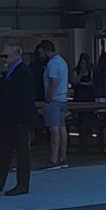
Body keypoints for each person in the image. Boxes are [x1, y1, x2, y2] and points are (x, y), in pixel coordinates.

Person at [0, 40, 40, 196]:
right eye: (2, 56)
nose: (3, 59)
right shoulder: (11, 72)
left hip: (18, 120)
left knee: (22, 153)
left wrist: (21, 120)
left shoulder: (23, 72)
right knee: (4, 151)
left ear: (16, 55)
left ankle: (22, 184)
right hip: (8, 120)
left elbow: (25, 99)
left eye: (6, 56)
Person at [38, 39, 71, 168]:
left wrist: (48, 97)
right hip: (63, 98)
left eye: (41, 53)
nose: (41, 56)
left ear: (46, 51)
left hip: (54, 99)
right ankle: (63, 157)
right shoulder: (62, 62)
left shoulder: (51, 64)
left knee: (54, 129)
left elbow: (53, 82)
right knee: (62, 128)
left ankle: (54, 159)